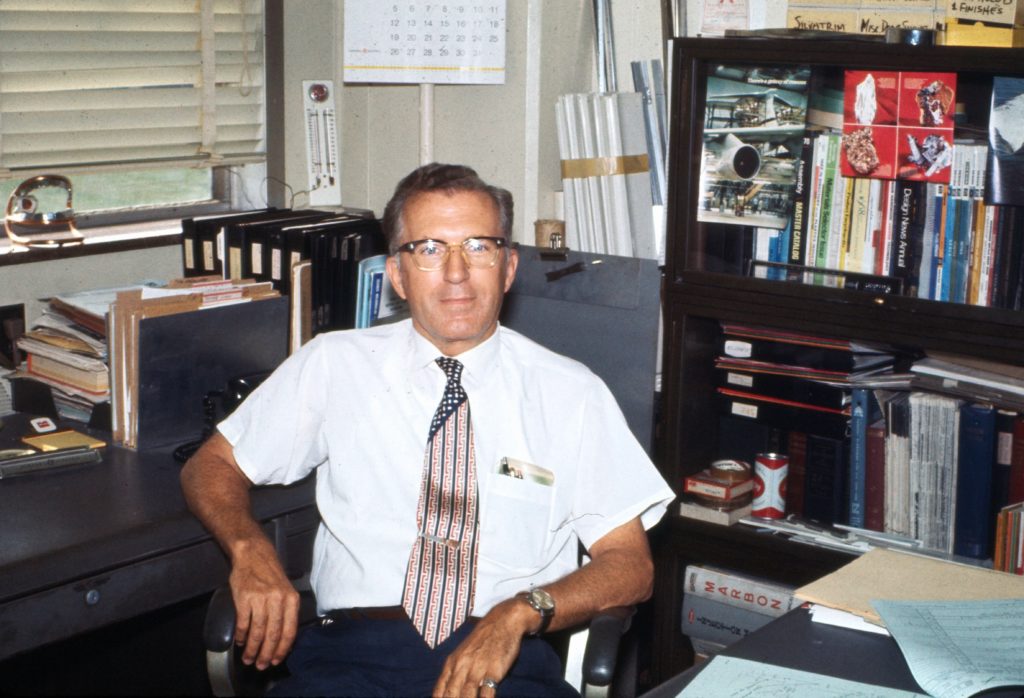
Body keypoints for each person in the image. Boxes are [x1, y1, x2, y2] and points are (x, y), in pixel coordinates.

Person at [180, 163, 674, 697]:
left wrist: (521, 613)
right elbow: (212, 465)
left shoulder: (570, 392)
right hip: (351, 659)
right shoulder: (335, 363)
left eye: (479, 247)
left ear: (508, 268)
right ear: (397, 274)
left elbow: (630, 566)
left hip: (502, 662)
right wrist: (250, 552)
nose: (457, 272)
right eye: (430, 250)